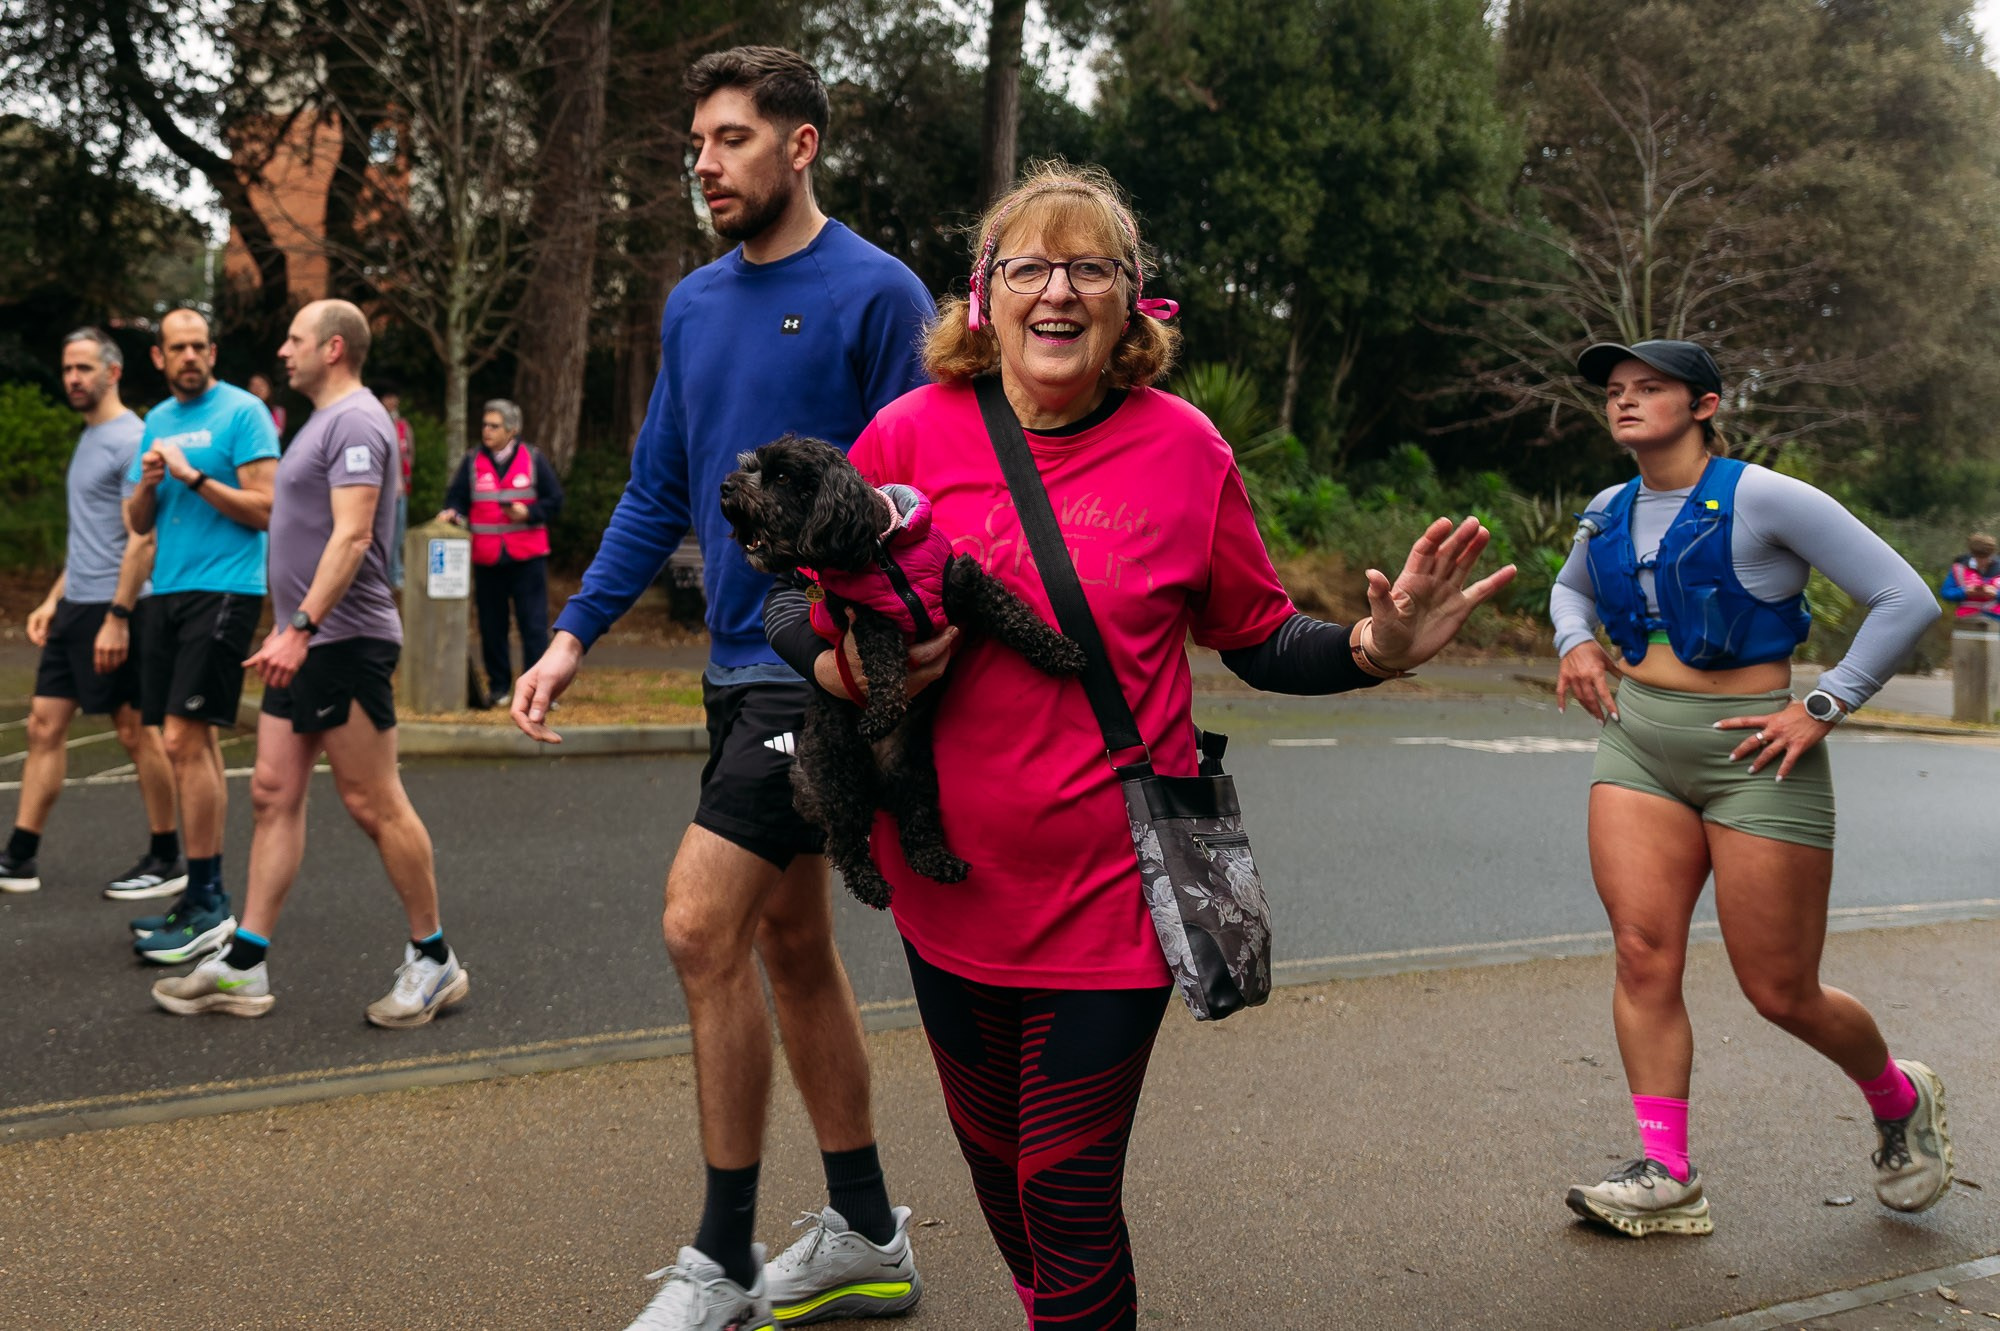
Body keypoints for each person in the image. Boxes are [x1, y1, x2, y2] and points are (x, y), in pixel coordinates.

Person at [758, 162, 1514, 1329]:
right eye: (1027, 266)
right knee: (1000, 1181)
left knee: (1061, 1187)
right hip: (944, 886)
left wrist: (1377, 642)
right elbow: (794, 598)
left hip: (1110, 887)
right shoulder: (909, 431)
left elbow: (1260, 635)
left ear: (1130, 302)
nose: (1056, 290)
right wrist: (838, 662)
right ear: (983, 294)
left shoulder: (1184, 448)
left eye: (1088, 266)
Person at [511, 45, 936, 1331]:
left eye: (732, 138)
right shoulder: (693, 305)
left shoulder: (877, 293)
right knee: (789, 944)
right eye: (697, 142)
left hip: (815, 672)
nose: (704, 162)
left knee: (700, 925)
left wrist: (888, 655)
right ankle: (863, 1229)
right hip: (730, 669)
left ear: (800, 145)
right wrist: (573, 632)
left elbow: (920, 490)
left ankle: (724, 1260)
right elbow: (656, 487)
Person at [1552, 338, 1950, 1238]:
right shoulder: (1609, 509)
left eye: (1649, 388)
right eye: (1615, 391)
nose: (1625, 401)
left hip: (1760, 753)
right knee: (1642, 951)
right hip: (1639, 744)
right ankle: (1667, 1172)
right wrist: (1573, 642)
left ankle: (1898, 1093)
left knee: (1780, 989)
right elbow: (1568, 592)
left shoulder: (1763, 495)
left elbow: (1905, 597)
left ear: (1704, 404)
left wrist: (1824, 703)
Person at [151, 300, 468, 1027]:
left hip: (344, 639)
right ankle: (244, 965)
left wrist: (299, 625)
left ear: (331, 348)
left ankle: (435, 958)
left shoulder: (356, 419)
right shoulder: (317, 425)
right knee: (270, 791)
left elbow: (354, 537)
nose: (282, 349)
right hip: (306, 641)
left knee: (372, 800)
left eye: (293, 338)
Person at [0, 328, 183, 900]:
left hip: (119, 607)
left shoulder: (133, 438)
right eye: (67, 368)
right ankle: (20, 856)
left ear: (113, 372)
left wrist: (119, 616)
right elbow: (90, 538)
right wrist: (54, 600)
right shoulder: (89, 438)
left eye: (83, 368)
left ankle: (167, 855)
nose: (73, 378)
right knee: (43, 726)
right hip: (76, 608)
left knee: (135, 731)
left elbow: (139, 538)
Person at [122, 309, 280, 964]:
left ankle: (210, 896)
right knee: (184, 738)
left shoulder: (244, 413)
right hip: (169, 589)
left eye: (198, 346)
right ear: (158, 357)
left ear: (212, 351)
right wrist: (153, 484)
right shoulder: (155, 420)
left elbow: (265, 507)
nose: (189, 356)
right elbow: (137, 518)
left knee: (185, 737)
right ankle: (203, 898)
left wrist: (192, 476)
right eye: (176, 348)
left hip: (228, 587)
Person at [439, 400, 563, 706]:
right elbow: (456, 498)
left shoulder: (533, 459)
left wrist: (529, 512)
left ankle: (537, 688)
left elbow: (555, 500)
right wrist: (452, 512)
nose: (487, 431)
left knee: (532, 625)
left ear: (512, 430)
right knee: (491, 627)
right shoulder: (471, 461)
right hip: (487, 559)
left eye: (494, 426)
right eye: (485, 424)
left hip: (527, 558)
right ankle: (499, 687)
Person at [378, 383, 414, 590]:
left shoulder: (403, 426)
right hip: (382, 490)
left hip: (402, 489)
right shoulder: (377, 422)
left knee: (399, 533)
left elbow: (410, 455)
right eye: (387, 397)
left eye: (394, 397)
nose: (391, 402)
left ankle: (396, 573)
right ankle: (382, 574)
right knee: (384, 533)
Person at [1938, 532, 2000, 624]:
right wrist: (1965, 591)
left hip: (1996, 619)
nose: (1982, 562)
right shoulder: (1959, 568)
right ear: (1973, 554)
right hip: (1966, 620)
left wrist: (1996, 593)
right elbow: (1945, 593)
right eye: (1979, 558)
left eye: (1986, 557)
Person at [247, 370, 286, 437]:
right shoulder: (245, 412)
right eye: (254, 385)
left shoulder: (278, 412)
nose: (257, 389)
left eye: (261, 385)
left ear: (269, 388)